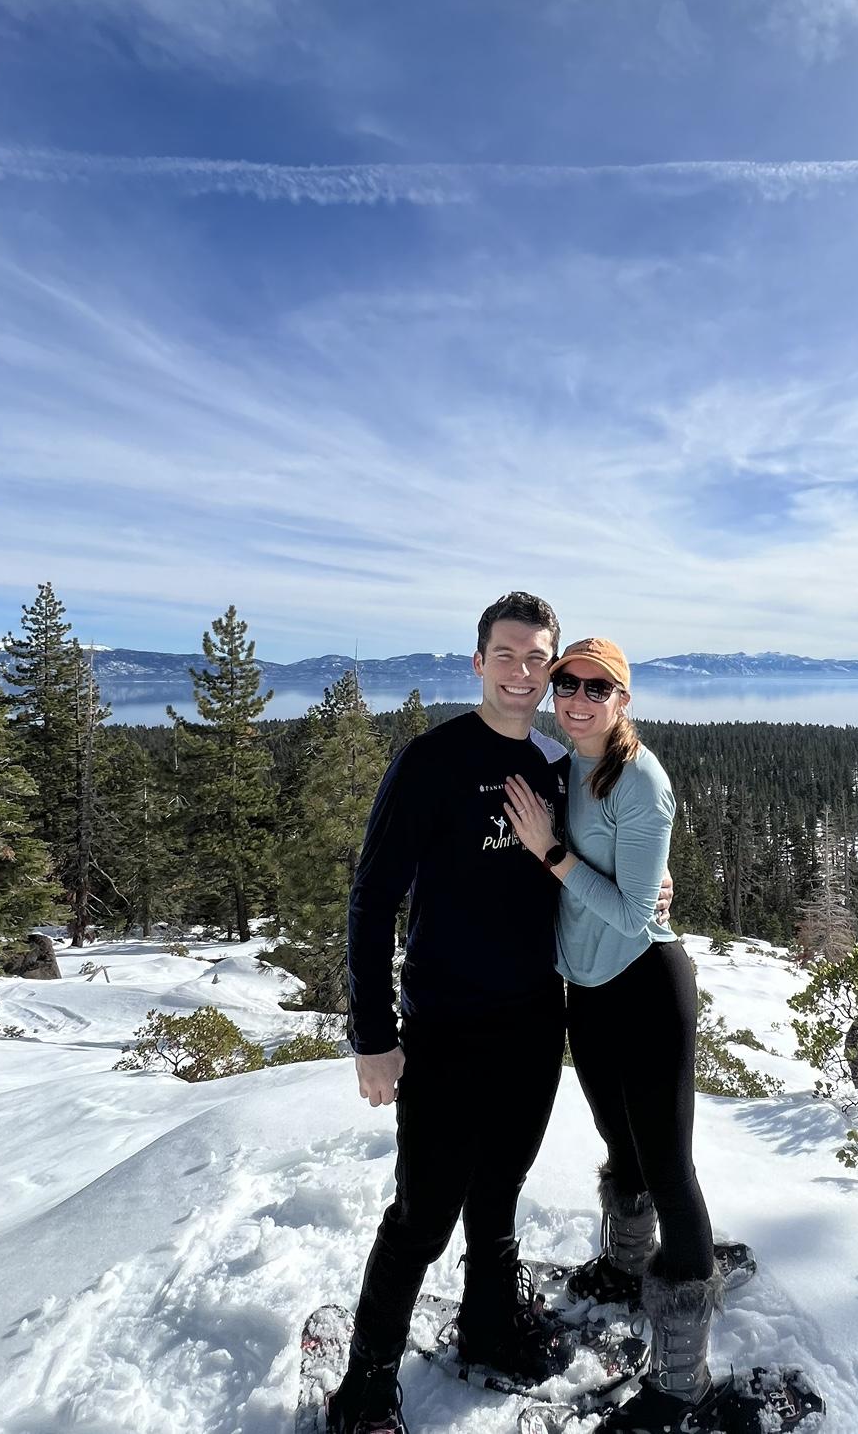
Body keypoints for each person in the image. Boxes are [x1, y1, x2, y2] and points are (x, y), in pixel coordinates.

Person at [327, 592, 578, 1434]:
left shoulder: (551, 762)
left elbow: (578, 865)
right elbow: (371, 900)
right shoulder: (431, 761)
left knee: (501, 1191)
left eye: (536, 657)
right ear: (478, 662)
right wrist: (373, 1038)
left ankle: (488, 1324)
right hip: (447, 1027)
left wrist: (650, 882)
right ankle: (364, 1390)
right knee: (423, 1216)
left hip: (536, 1020)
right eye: (505, 654)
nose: (521, 671)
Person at [503, 637, 724, 1434]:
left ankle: (682, 1373)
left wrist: (552, 854)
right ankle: (628, 1265)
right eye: (568, 683)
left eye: (599, 688)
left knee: (668, 1167)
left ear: (623, 700)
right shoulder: (566, 769)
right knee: (618, 1144)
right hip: (588, 989)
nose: (579, 698)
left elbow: (635, 913)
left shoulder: (641, 781)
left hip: (647, 988)